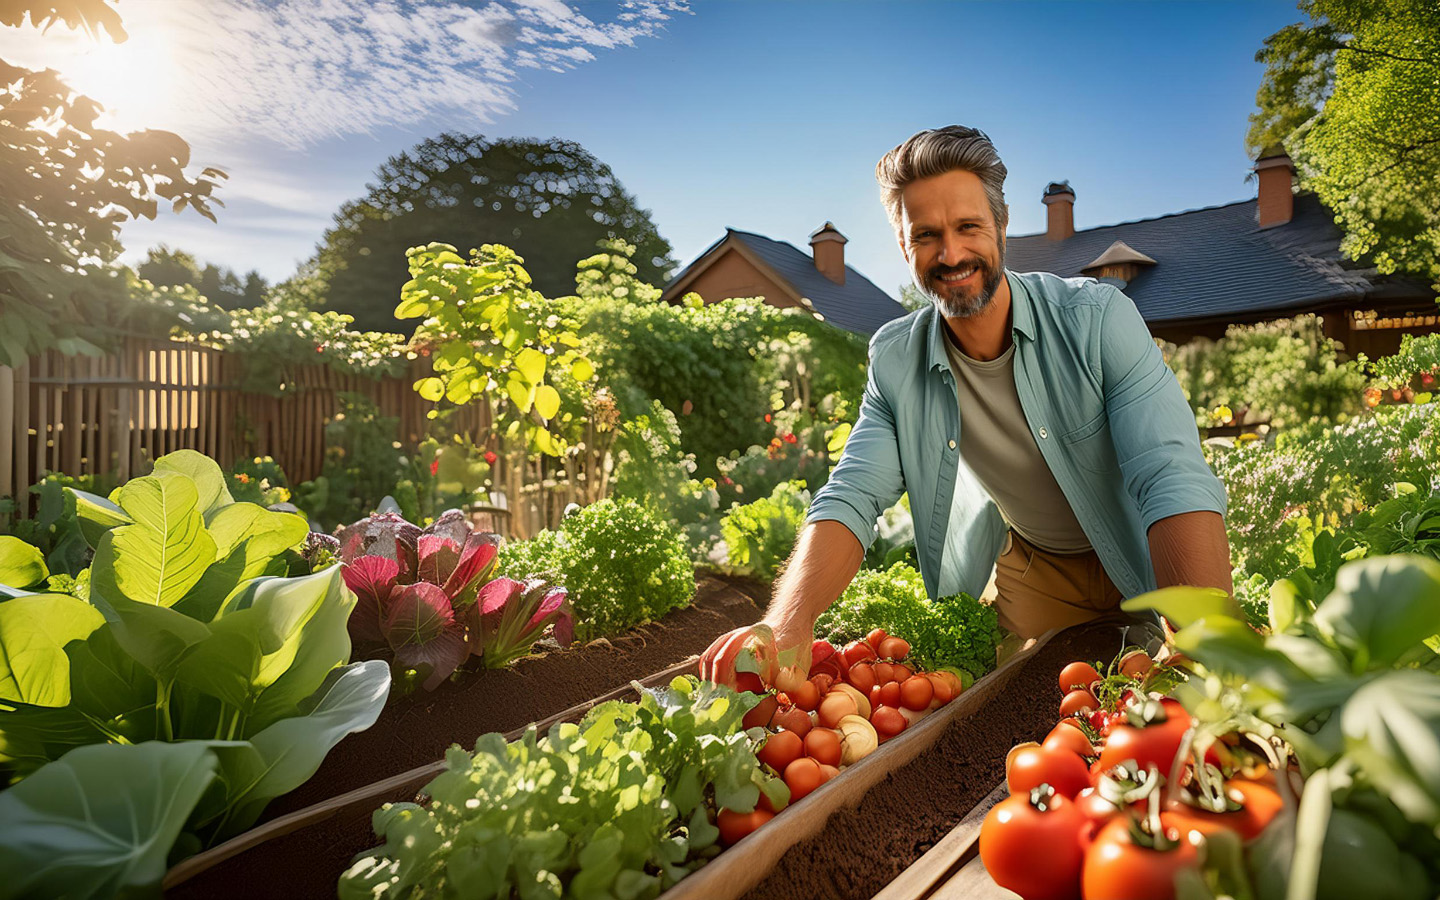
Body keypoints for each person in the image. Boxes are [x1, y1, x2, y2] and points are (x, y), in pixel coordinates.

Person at [700, 125, 1233, 682]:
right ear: (904, 246)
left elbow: (1169, 476)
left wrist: (1207, 639)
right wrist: (787, 623)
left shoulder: (1098, 320)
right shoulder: (896, 360)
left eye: (968, 227)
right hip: (1038, 570)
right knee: (1028, 714)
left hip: (1146, 552)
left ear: (1002, 227)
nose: (950, 253)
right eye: (926, 234)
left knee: (1173, 699)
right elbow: (852, 495)